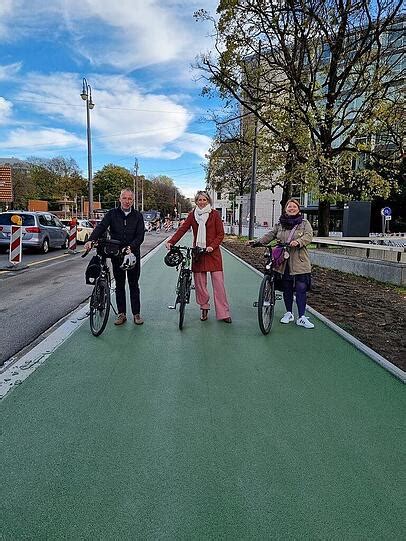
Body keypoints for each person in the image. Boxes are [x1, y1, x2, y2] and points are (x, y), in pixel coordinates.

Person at [165, 190, 232, 323]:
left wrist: (212, 246)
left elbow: (220, 234)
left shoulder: (215, 215)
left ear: (208, 201)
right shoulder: (192, 215)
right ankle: (204, 307)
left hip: (213, 253)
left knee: (219, 284)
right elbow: (183, 229)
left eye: (204, 200)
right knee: (200, 284)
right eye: (199, 200)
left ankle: (224, 313)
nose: (202, 202)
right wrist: (171, 241)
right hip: (198, 253)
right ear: (196, 201)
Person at [249, 198, 314, 329]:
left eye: (294, 206)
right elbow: (270, 235)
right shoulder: (280, 224)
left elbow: (309, 236)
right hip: (283, 261)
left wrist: (299, 242)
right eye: (289, 207)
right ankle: (289, 313)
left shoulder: (304, 223)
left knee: (301, 288)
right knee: (287, 287)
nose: (291, 208)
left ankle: (301, 317)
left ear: (298, 209)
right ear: (285, 209)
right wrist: (257, 242)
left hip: (300, 260)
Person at [84, 188, 145, 326]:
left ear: (133, 200)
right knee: (119, 285)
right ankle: (121, 314)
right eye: (124, 198)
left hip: (132, 255)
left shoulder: (138, 216)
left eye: (130, 199)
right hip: (117, 254)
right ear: (120, 199)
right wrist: (91, 240)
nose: (127, 201)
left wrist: (131, 247)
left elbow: (140, 236)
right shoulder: (112, 214)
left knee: (134, 284)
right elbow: (101, 227)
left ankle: (136, 314)